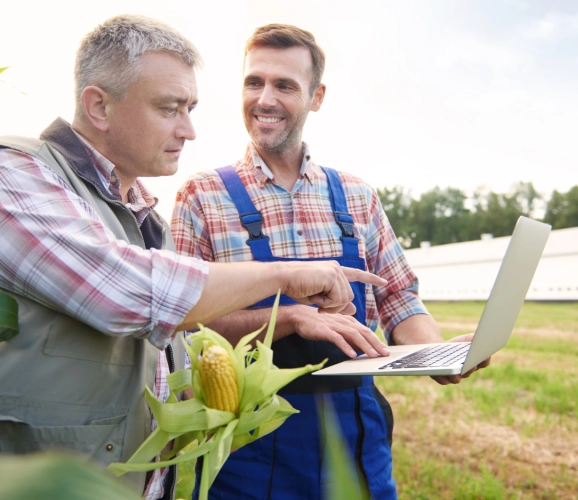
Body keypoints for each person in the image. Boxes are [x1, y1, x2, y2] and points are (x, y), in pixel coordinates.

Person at [0, 16, 385, 500]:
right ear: (99, 106)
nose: (190, 130)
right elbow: (128, 294)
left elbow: (177, 341)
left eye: (190, 108)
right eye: (171, 108)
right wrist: (285, 276)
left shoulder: (142, 217)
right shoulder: (5, 175)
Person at [172, 24, 490, 499]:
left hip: (357, 432)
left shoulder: (356, 196)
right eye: (253, 82)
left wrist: (438, 356)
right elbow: (182, 324)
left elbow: (399, 297)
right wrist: (291, 319)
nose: (264, 99)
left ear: (316, 96)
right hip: (248, 441)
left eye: (284, 85)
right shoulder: (202, 196)